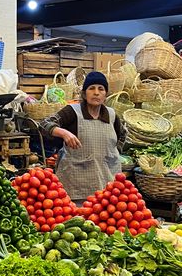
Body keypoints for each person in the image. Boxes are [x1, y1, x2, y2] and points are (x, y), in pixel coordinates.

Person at [39, 71, 125, 201]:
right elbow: (44, 124)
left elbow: (123, 134)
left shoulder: (112, 115)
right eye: (91, 88)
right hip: (77, 187)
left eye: (101, 89)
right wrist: (64, 133)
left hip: (108, 185)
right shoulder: (73, 112)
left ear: (105, 94)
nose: (96, 92)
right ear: (84, 94)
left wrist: (113, 153)